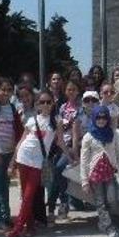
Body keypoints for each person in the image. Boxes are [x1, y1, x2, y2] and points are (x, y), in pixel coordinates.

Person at [7, 90, 64, 237]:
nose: (45, 105)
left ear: (53, 103)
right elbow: (21, 142)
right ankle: (29, 226)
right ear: (37, 104)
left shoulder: (57, 120)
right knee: (24, 195)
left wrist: (71, 156)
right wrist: (12, 162)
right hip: (23, 157)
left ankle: (18, 228)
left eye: (48, 102)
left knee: (28, 195)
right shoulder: (32, 120)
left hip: (38, 162)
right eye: (42, 102)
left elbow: (60, 142)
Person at [80, 105, 119, 237]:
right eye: (98, 117)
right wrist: (84, 181)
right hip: (95, 173)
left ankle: (104, 221)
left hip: (109, 171)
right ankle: (110, 229)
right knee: (100, 202)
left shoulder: (113, 133)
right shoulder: (88, 136)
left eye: (104, 117)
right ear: (94, 118)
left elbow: (118, 152)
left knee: (111, 199)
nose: (101, 120)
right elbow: (84, 159)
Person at [0, 77, 24, 230]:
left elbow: (16, 131)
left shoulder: (13, 109)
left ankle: (6, 216)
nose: (6, 93)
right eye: (3, 89)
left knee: (5, 186)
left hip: (10, 153)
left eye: (9, 90)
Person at [48, 81, 83, 220]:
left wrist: (73, 153)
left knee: (59, 169)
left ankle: (63, 202)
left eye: (74, 89)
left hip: (74, 145)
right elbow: (59, 128)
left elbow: (76, 131)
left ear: (77, 91)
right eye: (69, 89)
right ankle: (60, 203)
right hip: (61, 145)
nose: (71, 92)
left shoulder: (80, 108)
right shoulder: (62, 107)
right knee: (56, 173)